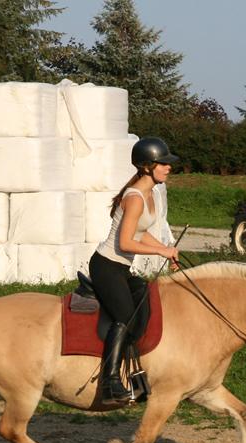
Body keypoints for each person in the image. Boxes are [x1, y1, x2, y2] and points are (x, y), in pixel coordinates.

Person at [89, 136, 181, 403]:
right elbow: (125, 242)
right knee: (125, 317)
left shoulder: (150, 194)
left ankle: (136, 378)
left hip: (121, 268)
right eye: (163, 163)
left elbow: (140, 234)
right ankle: (110, 382)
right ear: (146, 167)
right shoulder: (136, 198)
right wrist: (161, 251)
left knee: (145, 304)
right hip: (106, 266)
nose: (168, 167)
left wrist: (168, 249)